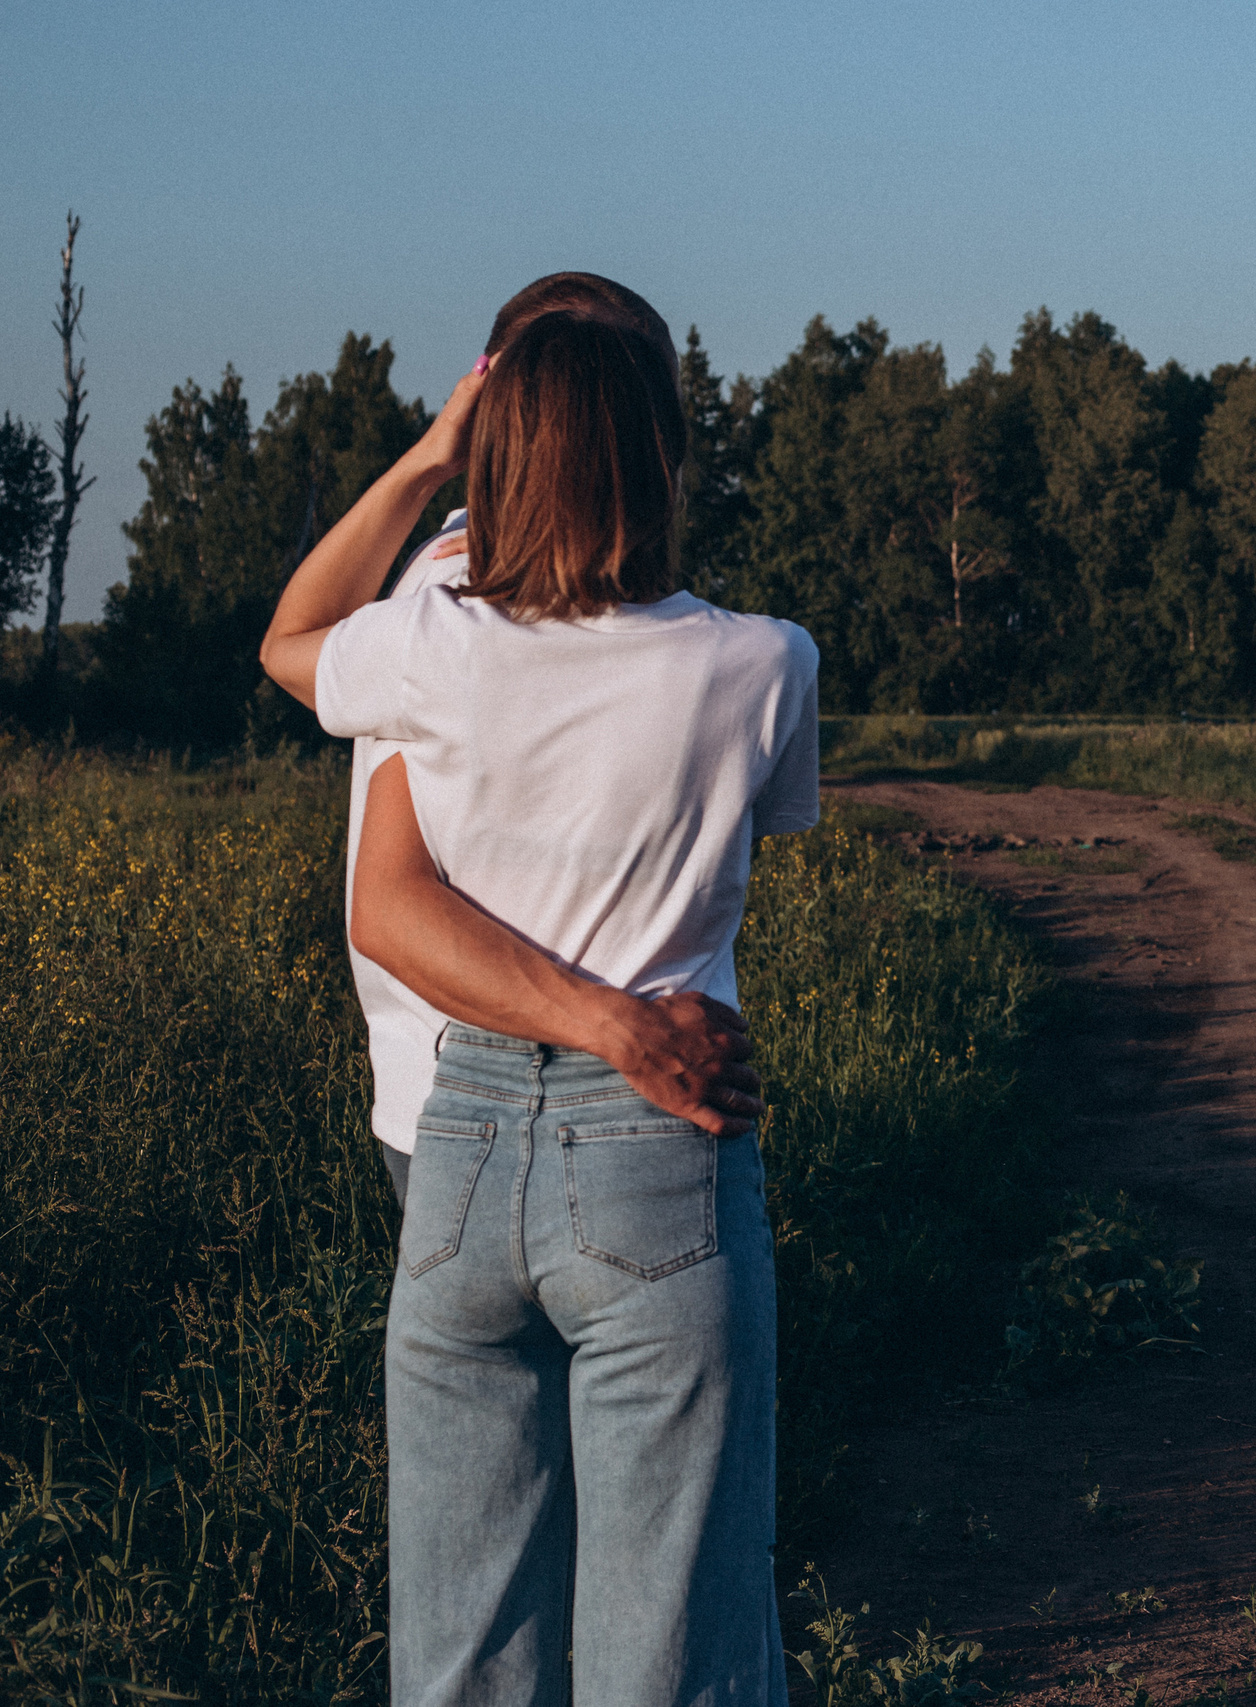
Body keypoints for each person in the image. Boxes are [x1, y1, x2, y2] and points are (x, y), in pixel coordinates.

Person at [261, 302, 819, 1702]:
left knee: (458, 1651)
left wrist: (427, 463)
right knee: (670, 1648)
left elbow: (290, 638)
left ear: (498, 451)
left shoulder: (428, 640)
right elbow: (757, 832)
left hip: (462, 1133)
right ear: (666, 458)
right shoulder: (766, 663)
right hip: (657, 1142)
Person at [345, 273, 763, 1219]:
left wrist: (424, 462)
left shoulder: (578, 610)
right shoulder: (450, 608)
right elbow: (393, 905)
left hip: (542, 1108)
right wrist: (626, 1030)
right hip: (488, 1108)